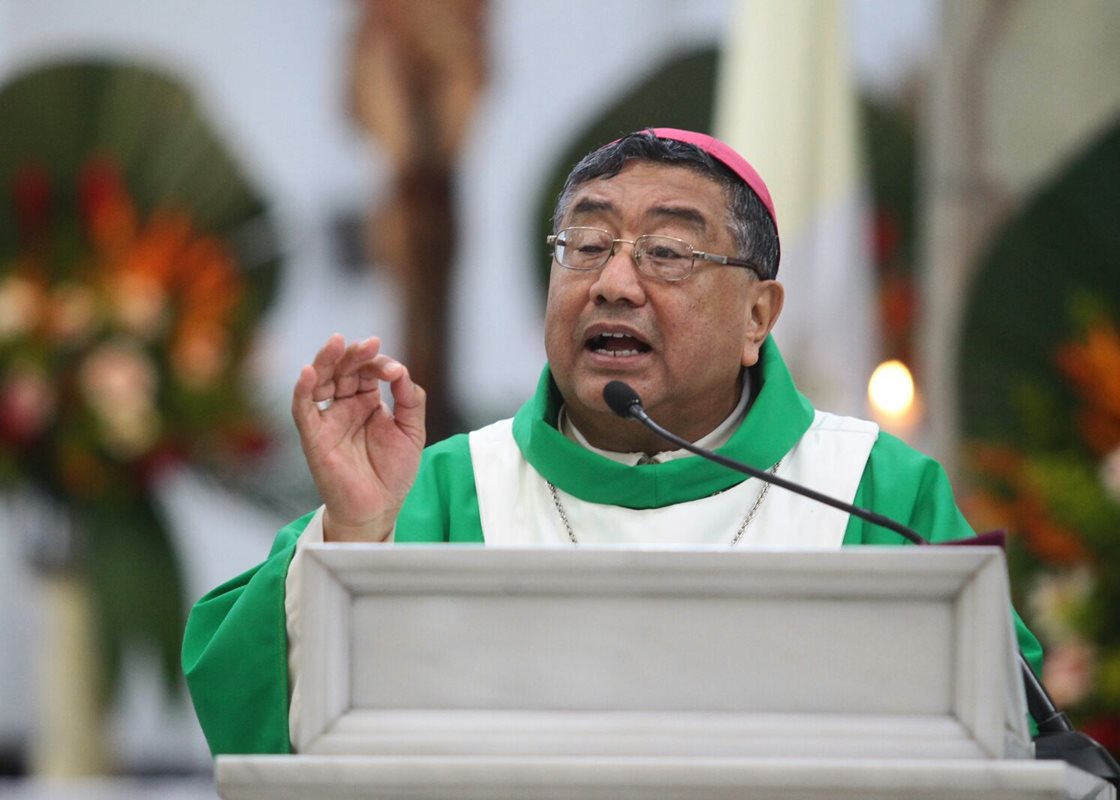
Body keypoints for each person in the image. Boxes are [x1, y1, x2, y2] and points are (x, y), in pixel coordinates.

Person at [182, 128, 1043, 756]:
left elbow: (1005, 729)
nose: (615, 283)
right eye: (585, 244)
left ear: (758, 317)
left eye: (668, 251)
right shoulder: (443, 491)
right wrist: (358, 534)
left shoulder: (872, 492)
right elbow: (255, 714)